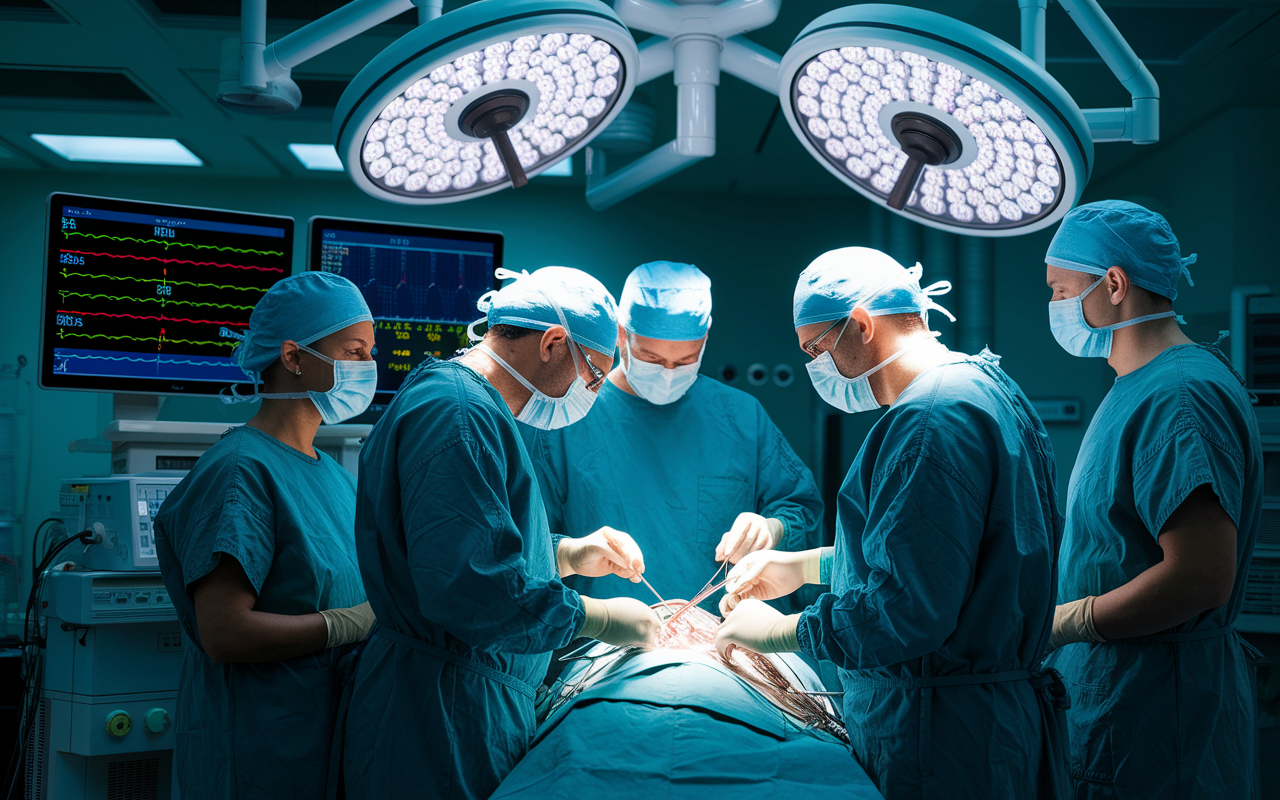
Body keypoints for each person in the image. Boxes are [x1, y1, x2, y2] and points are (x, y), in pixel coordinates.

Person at [714, 247, 1071, 800]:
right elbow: (949, 559)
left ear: (860, 324)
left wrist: (785, 631)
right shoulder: (980, 388)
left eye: (815, 349)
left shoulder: (929, 422)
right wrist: (805, 566)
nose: (816, 367)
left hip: (945, 740)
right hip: (985, 725)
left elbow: (909, 608)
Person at [343, 267, 663, 800]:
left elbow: (458, 543)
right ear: (554, 342)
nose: (593, 392)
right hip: (439, 715)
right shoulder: (457, 414)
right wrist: (595, 616)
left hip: (460, 701)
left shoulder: (466, 408)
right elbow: (470, 589)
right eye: (595, 375)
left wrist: (567, 555)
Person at [1040, 200, 1263, 799]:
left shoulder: (1180, 396)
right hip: (1123, 699)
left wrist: (1070, 621)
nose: (1055, 307)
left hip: (1157, 714)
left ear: (1114, 284)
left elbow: (1199, 578)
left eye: (1060, 290)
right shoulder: (1135, 388)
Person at [153, 272, 380, 800]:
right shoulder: (239, 472)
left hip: (322, 745)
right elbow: (224, 633)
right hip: (257, 754)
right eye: (353, 350)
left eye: (370, 352)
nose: (367, 367)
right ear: (294, 357)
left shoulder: (334, 476)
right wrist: (346, 625)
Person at [522, 261, 823, 611]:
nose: (667, 374)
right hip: (605, 653)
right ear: (621, 335)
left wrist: (772, 528)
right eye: (651, 358)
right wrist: (575, 562)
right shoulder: (568, 418)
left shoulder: (741, 416)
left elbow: (800, 507)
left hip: (726, 647)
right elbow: (528, 544)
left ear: (705, 338)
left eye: (684, 361)